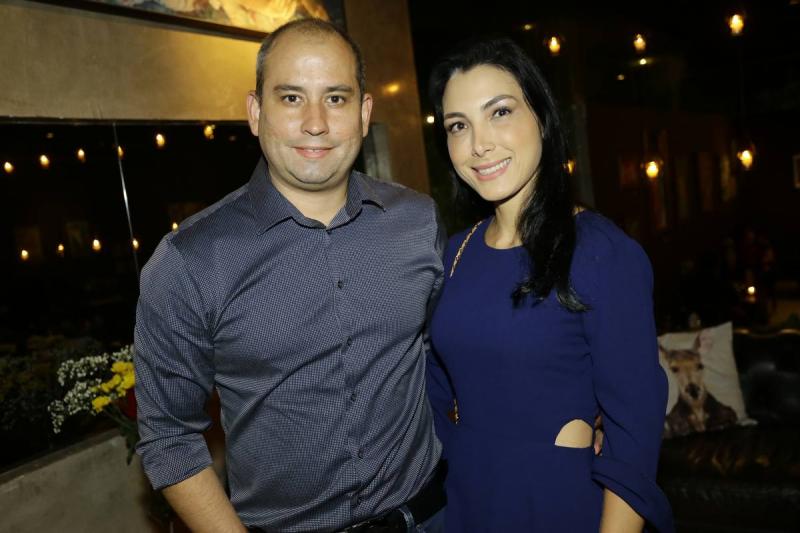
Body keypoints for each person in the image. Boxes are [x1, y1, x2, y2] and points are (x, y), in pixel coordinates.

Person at [134, 18, 447, 533]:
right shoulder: (190, 260)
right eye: (292, 98)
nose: (315, 123)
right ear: (256, 112)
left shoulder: (418, 222)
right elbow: (169, 437)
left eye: (336, 98)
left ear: (364, 113)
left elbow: (445, 355)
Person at [425, 38, 673, 532]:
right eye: (458, 125)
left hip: (558, 505)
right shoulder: (453, 254)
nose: (478, 144)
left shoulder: (600, 252)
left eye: (499, 112)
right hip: (465, 505)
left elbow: (634, 435)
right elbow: (434, 395)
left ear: (541, 116)